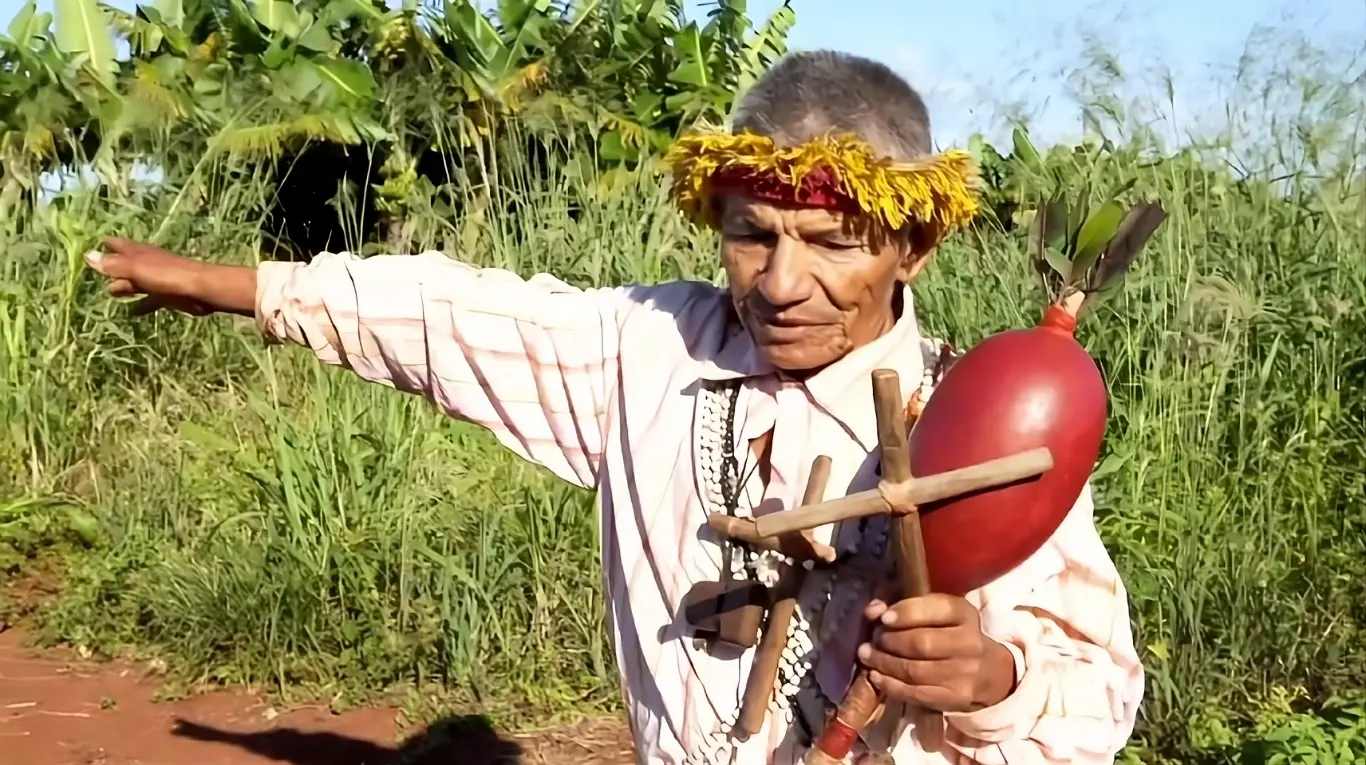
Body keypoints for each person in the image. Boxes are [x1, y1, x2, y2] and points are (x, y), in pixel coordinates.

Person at [85, 51, 1143, 765]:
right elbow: (439, 311)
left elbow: (1095, 691)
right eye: (750, 234)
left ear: (911, 245)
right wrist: (223, 282)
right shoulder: (647, 348)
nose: (779, 281)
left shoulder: (986, 421)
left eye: (830, 243)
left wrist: (990, 677)